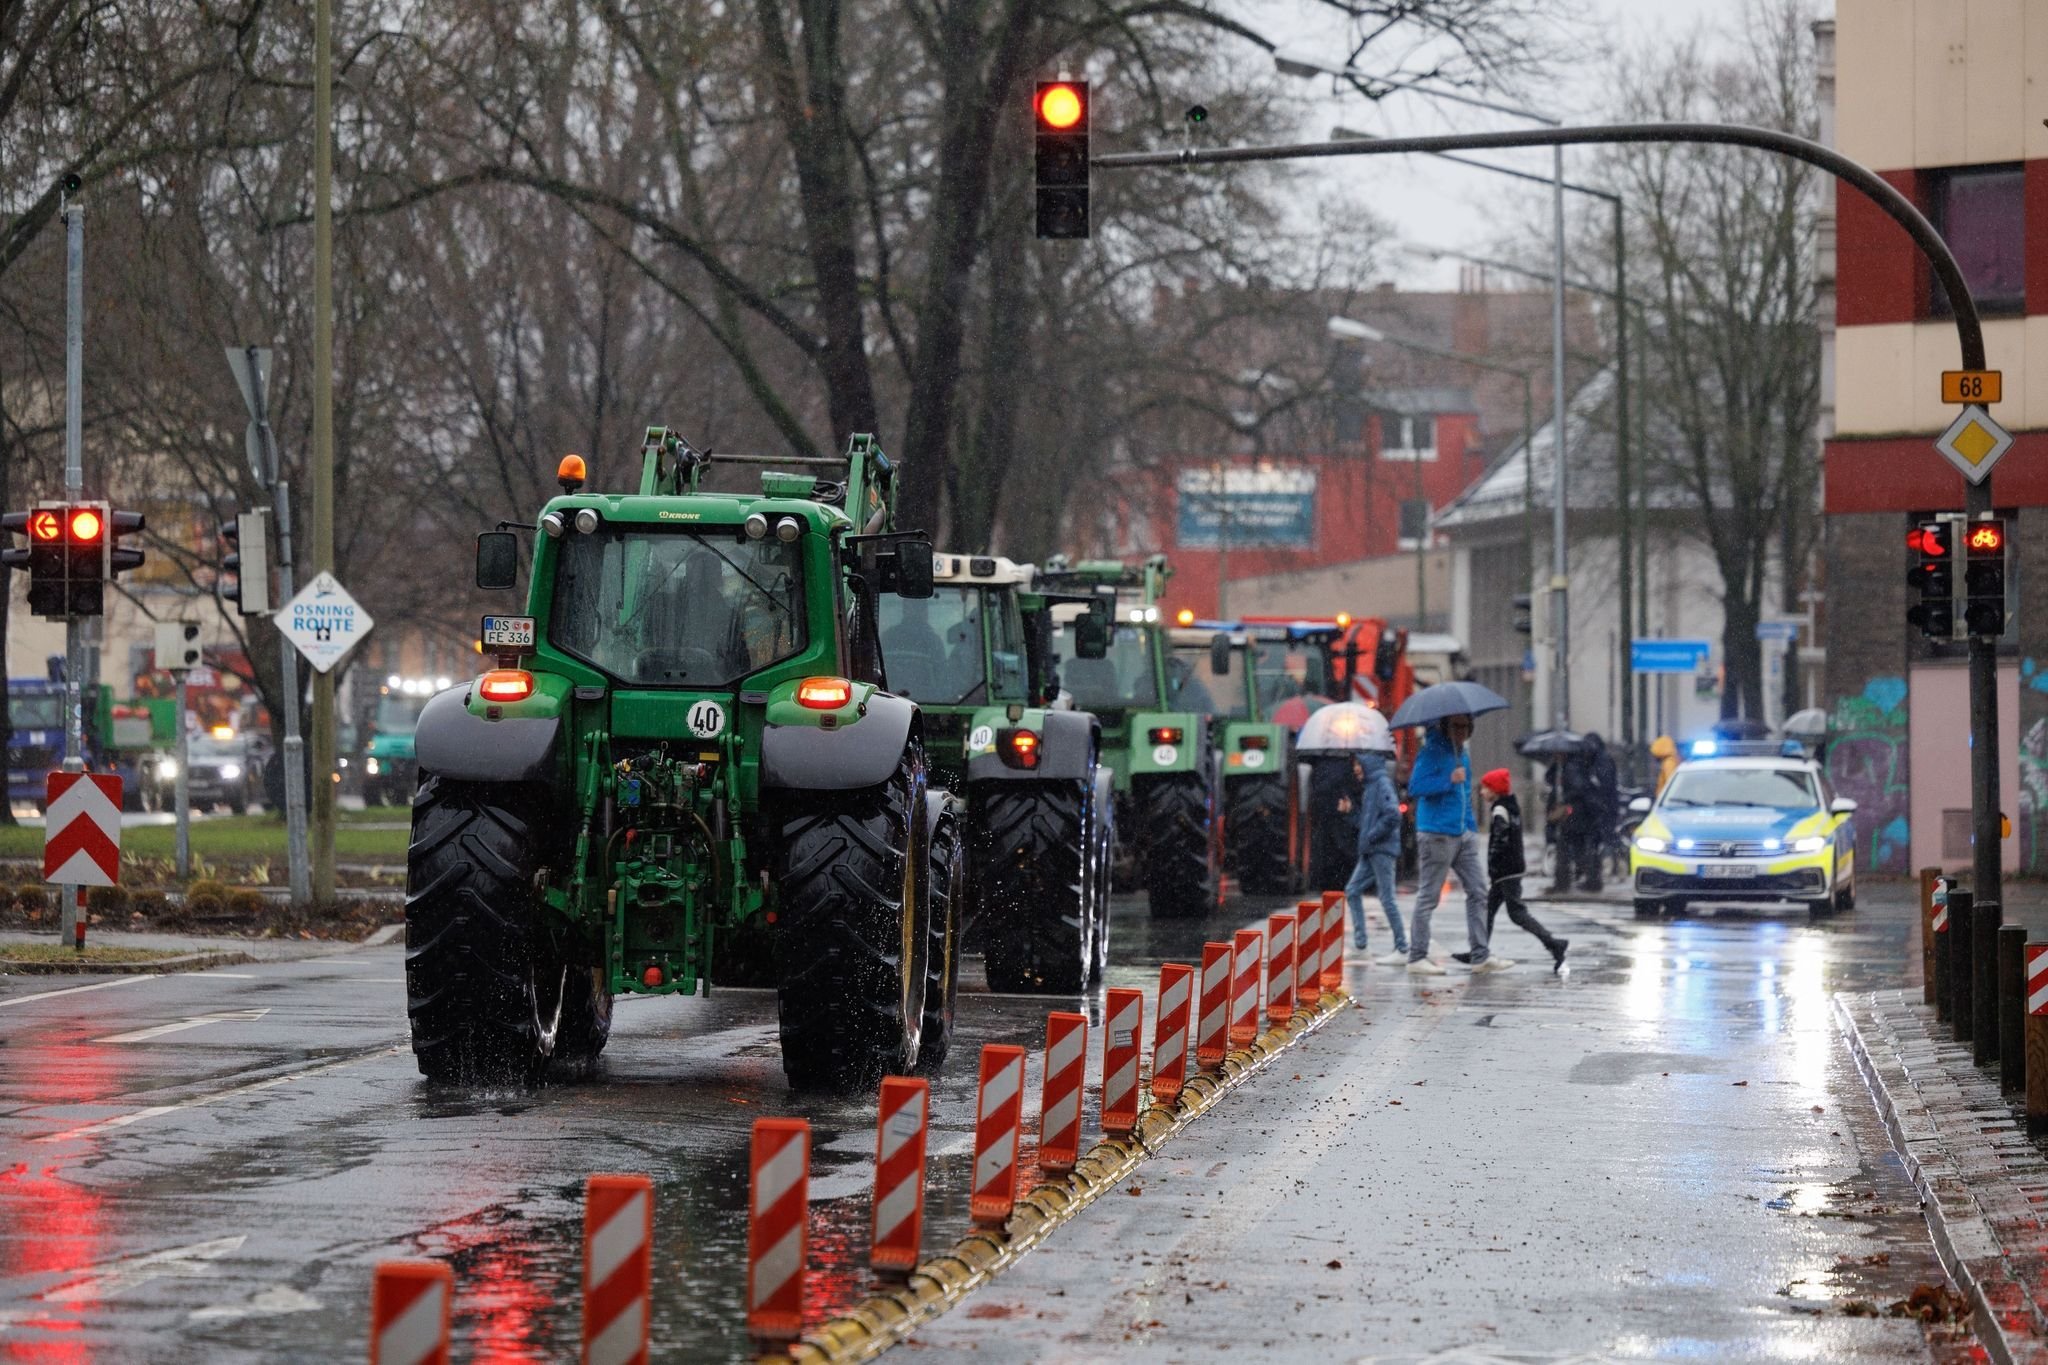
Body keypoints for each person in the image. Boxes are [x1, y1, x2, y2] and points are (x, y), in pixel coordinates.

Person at [1404, 713, 1512, 975]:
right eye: (1457, 726)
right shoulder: (1432, 752)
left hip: (1462, 833)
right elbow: (1415, 787)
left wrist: (1470, 826)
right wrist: (1447, 780)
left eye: (1466, 726)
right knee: (1429, 896)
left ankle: (1480, 954)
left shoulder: (1461, 753)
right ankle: (1417, 956)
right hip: (1437, 833)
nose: (1463, 731)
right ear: (1445, 726)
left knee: (1478, 891)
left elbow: (1463, 795)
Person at [1455, 770, 1568, 973]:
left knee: (1516, 913)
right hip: (1511, 869)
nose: (1481, 793)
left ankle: (1553, 943)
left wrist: (1494, 866)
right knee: (1488, 911)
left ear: (1495, 790)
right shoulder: (1511, 806)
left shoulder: (1500, 810)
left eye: (1485, 788)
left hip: (1505, 871)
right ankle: (1478, 951)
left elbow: (1500, 840)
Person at [1343, 716, 1409, 963]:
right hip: (1372, 849)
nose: (1355, 769)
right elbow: (1367, 821)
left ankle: (1402, 948)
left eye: (1357, 765)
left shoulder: (1380, 784)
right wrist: (1351, 812)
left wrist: (1372, 836)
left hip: (1380, 849)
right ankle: (1361, 946)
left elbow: (1393, 815)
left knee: (1387, 898)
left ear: (1367, 764)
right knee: (1352, 891)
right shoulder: (1371, 786)